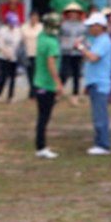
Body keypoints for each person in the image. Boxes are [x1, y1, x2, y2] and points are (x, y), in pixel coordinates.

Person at [79, 12, 111, 155]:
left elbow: (93, 58)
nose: (90, 29)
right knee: (97, 114)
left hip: (100, 82)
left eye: (92, 26)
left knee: (100, 115)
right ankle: (99, 142)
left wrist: (81, 48)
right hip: (94, 81)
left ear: (99, 26)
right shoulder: (98, 40)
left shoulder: (104, 41)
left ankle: (103, 144)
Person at [34, 13, 63, 159]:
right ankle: (41, 146)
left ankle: (40, 145)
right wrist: (58, 82)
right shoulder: (52, 42)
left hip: (38, 82)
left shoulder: (41, 36)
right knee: (44, 117)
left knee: (41, 116)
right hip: (47, 84)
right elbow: (51, 63)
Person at [59, 2, 86, 102]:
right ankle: (59, 91)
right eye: (71, 12)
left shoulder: (82, 26)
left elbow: (84, 38)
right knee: (64, 72)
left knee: (76, 73)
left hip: (77, 52)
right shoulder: (63, 25)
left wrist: (80, 44)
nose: (73, 14)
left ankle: (75, 94)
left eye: (76, 12)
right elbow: (60, 38)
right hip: (66, 51)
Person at [0, 12, 24, 101]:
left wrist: (14, 55)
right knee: (3, 76)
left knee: (13, 77)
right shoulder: (2, 30)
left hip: (14, 57)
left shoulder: (18, 31)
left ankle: (10, 96)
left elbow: (18, 44)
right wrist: (6, 54)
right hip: (3, 57)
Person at [21, 11, 43, 99]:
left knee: (37, 73)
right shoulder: (24, 27)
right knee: (29, 73)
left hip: (38, 54)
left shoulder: (41, 27)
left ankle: (36, 92)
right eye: (32, 17)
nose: (34, 19)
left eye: (36, 17)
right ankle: (32, 92)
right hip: (27, 53)